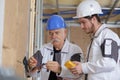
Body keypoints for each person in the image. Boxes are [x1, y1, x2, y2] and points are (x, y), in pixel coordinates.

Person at [69, 0, 120, 80]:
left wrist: (84, 67)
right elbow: (95, 68)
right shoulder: (95, 39)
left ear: (93, 19)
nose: (81, 26)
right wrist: (81, 67)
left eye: (83, 22)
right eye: (80, 23)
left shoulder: (107, 35)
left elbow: (110, 62)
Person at [25, 15, 84, 80]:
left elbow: (78, 74)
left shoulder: (74, 50)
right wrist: (31, 66)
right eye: (51, 33)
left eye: (57, 33)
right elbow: (30, 73)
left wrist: (60, 69)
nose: (53, 36)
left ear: (65, 32)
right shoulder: (44, 50)